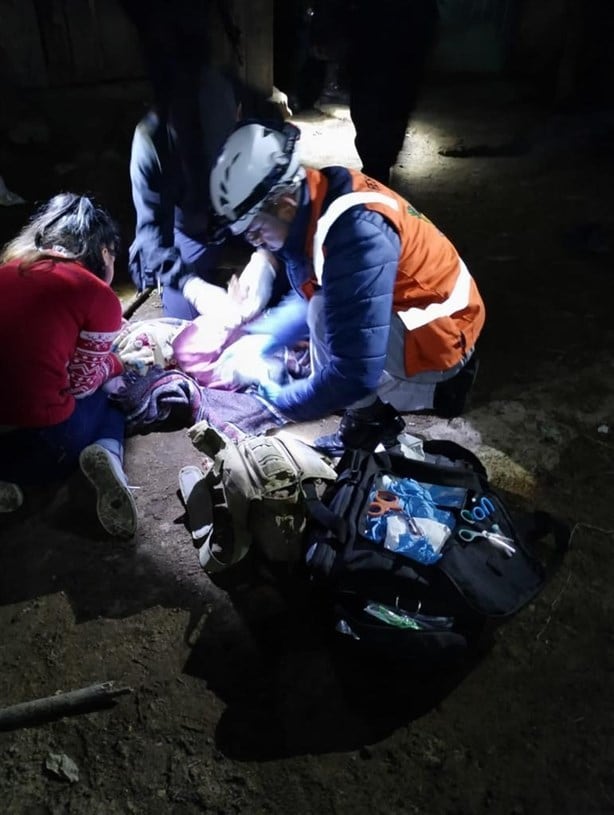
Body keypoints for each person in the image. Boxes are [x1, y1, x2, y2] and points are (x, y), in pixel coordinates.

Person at [209, 119, 485, 451]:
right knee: (323, 313)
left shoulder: (356, 236)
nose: (260, 244)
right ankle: (378, 407)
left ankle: (427, 397)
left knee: (326, 318)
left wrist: (281, 399)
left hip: (443, 336)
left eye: (256, 232)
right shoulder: (317, 193)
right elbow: (324, 287)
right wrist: (264, 338)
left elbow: (354, 373)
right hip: (423, 308)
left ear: (284, 204)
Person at [0, 193, 137, 538]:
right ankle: (108, 454)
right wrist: (117, 364)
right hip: (44, 443)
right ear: (104, 251)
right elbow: (81, 384)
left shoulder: (7, 271)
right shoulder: (97, 294)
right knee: (111, 401)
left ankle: (10, 481)